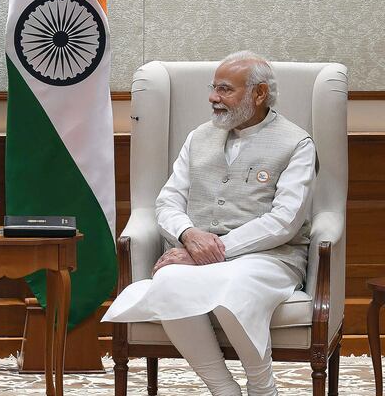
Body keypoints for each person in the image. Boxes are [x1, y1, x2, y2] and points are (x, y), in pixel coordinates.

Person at [102, 51, 316, 396]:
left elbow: (284, 221)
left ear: (259, 94)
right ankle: (223, 389)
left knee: (234, 289)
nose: (213, 98)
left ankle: (262, 386)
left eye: (225, 90)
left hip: (270, 258)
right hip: (195, 252)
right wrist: (188, 235)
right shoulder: (198, 137)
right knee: (169, 280)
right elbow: (168, 200)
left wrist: (213, 249)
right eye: (213, 88)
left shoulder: (297, 143)